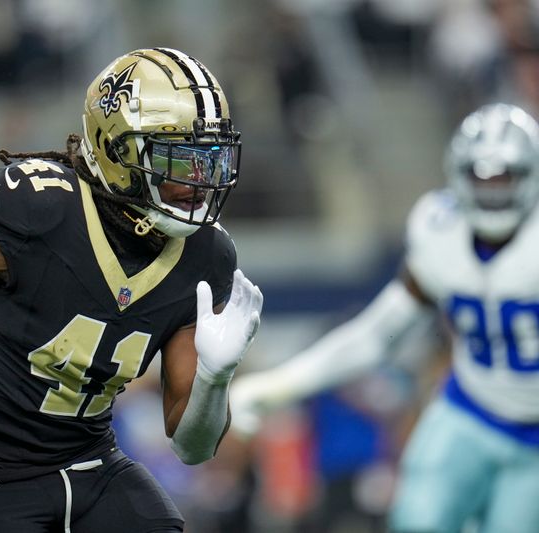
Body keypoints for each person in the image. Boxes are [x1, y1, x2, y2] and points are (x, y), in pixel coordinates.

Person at [0, 48, 263, 533]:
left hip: (93, 462)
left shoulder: (206, 257)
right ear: (118, 150)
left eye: (209, 159)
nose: (199, 182)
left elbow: (192, 447)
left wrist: (215, 380)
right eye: (179, 159)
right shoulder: (40, 209)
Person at [230, 102, 539, 533]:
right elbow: (378, 335)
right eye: (481, 178)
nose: (492, 191)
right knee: (416, 520)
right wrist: (283, 383)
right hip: (470, 409)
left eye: (505, 178)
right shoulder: (440, 228)